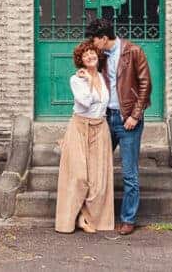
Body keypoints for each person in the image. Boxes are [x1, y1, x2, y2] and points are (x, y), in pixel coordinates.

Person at [85, 18, 152, 236]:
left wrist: (135, 115)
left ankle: (128, 219)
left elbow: (145, 84)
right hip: (106, 118)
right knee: (96, 168)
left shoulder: (133, 51)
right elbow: (91, 72)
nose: (93, 46)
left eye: (95, 41)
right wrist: (82, 74)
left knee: (129, 173)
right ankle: (95, 215)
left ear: (104, 38)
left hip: (127, 121)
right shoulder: (101, 57)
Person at [55, 40, 114, 234]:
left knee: (97, 178)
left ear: (97, 56)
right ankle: (72, 218)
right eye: (85, 55)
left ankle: (87, 217)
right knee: (79, 176)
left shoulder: (104, 77)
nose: (90, 56)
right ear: (80, 60)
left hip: (100, 128)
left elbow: (106, 104)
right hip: (80, 127)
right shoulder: (77, 79)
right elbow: (85, 102)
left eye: (92, 53)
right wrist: (88, 81)